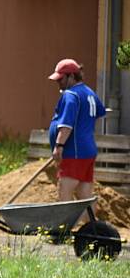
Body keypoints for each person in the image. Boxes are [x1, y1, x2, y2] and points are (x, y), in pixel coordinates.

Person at [48, 59, 106, 203]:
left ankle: (64, 226)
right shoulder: (89, 93)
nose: (58, 82)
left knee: (64, 192)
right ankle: (92, 226)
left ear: (72, 77)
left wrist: (59, 146)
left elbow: (66, 125)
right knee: (85, 195)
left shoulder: (71, 95)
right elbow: (100, 112)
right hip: (88, 151)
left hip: (73, 153)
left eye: (61, 79)